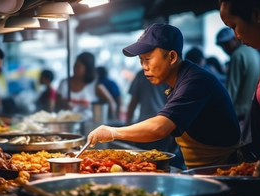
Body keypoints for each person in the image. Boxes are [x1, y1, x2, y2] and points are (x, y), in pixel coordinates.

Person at [87, 23, 241, 169]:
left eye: (148, 59)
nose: (144, 67)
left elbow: (160, 128)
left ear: (172, 57)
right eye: (141, 60)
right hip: (200, 169)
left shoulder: (196, 81)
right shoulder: (179, 81)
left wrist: (113, 133)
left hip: (223, 168)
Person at [218, 0, 260, 176]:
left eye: (234, 26)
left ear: (256, 15)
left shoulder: (240, 55)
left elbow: (230, 94)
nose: (236, 36)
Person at [126, 70, 184, 169]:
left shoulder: (143, 75)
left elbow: (133, 102)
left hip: (158, 126)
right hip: (154, 127)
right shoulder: (167, 75)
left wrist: (126, 126)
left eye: (147, 59)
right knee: (143, 165)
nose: (144, 65)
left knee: (147, 164)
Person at [216, 27, 260, 122]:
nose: (224, 49)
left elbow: (231, 90)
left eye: (226, 44)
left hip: (240, 114)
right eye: (222, 46)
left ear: (235, 38)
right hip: (255, 111)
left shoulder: (237, 55)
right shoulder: (254, 51)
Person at [56, 52, 117, 120]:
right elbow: (57, 106)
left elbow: (112, 103)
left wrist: (111, 118)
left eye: (78, 66)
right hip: (69, 123)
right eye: (75, 65)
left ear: (87, 69)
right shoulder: (64, 83)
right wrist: (64, 107)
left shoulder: (95, 86)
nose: (75, 68)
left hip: (89, 124)